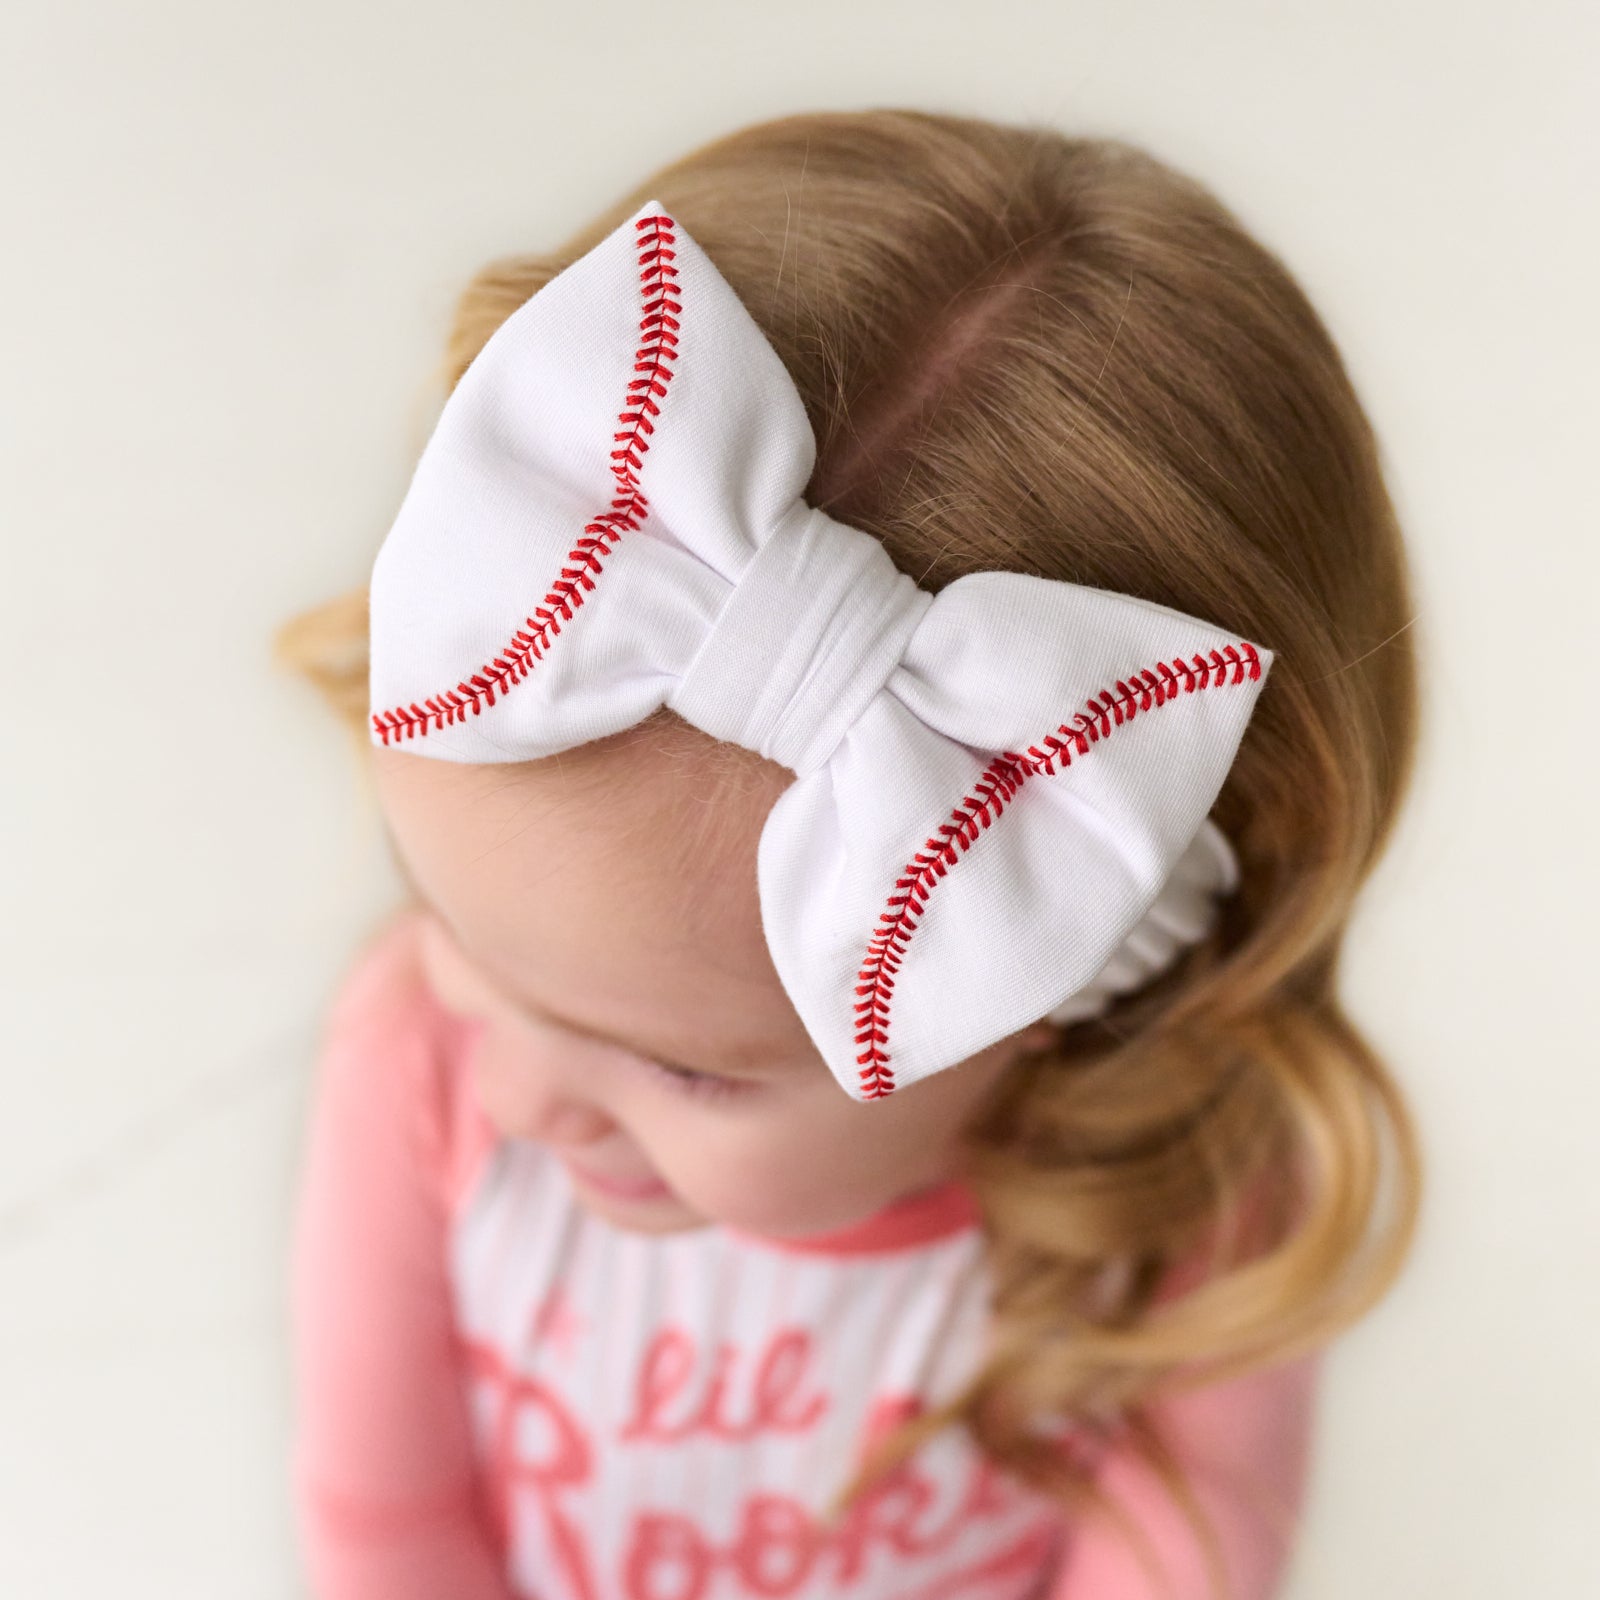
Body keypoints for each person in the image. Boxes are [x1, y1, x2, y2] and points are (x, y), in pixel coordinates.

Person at [275, 107, 1423, 1600]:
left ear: (1080, 940)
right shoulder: (411, 1050)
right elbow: (387, 1525)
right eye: (445, 921)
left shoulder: (1185, 1194)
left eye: (689, 1071)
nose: (507, 1092)